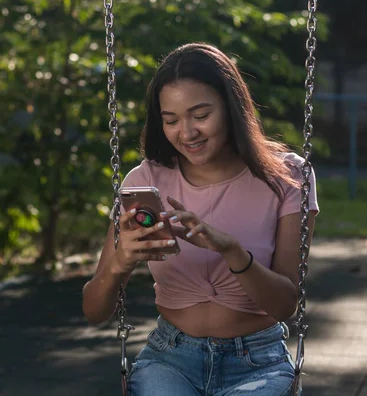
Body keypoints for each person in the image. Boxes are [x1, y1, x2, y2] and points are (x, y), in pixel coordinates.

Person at [82, 43, 319, 396]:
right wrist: (121, 263)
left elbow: (285, 305)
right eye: (171, 120)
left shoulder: (287, 177)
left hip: (259, 361)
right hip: (170, 359)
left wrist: (232, 251)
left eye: (201, 115)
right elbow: (94, 310)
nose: (187, 133)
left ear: (231, 107)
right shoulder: (145, 181)